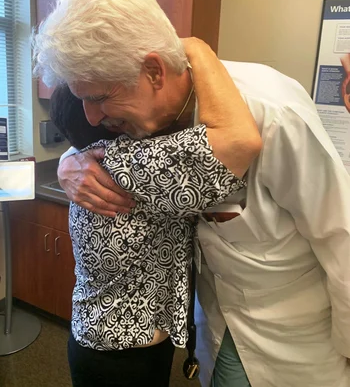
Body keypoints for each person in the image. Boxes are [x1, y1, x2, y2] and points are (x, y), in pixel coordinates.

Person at [33, 0, 350, 387]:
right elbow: (98, 142)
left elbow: (340, 233)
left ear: (153, 71)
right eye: (83, 101)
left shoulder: (271, 113)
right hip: (212, 319)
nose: (93, 117)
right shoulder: (143, 123)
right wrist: (69, 160)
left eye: (99, 98)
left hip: (289, 335)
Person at [48, 39, 260, 387]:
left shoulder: (96, 160)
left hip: (114, 337)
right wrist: (196, 49)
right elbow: (240, 141)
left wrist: (64, 160)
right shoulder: (130, 163)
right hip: (121, 351)